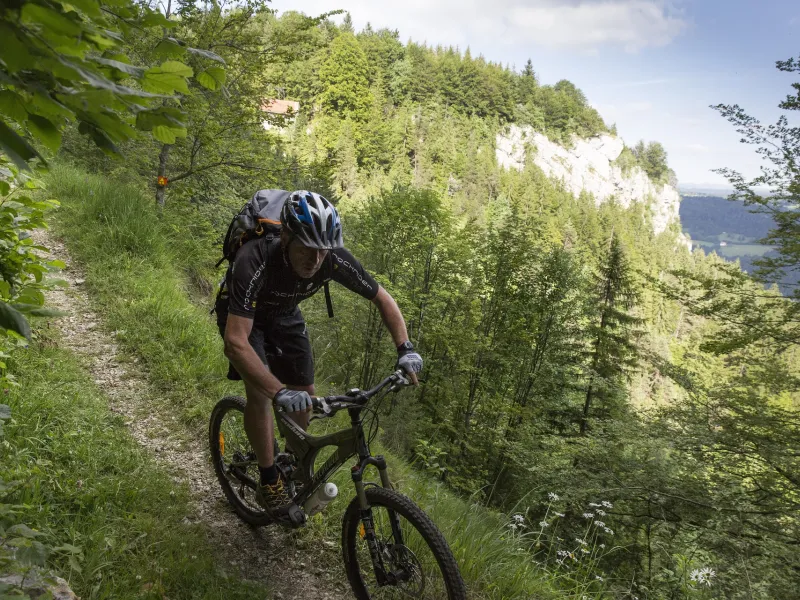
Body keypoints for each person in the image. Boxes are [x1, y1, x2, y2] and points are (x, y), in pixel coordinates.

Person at [216, 190, 423, 514]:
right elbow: (236, 343)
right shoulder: (254, 258)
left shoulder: (331, 258)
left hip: (284, 312)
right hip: (244, 317)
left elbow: (382, 298)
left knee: (306, 392)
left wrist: (405, 348)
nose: (315, 261)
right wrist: (277, 391)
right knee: (260, 394)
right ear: (285, 237)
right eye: (307, 250)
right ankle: (269, 480)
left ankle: (289, 462)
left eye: (322, 252)